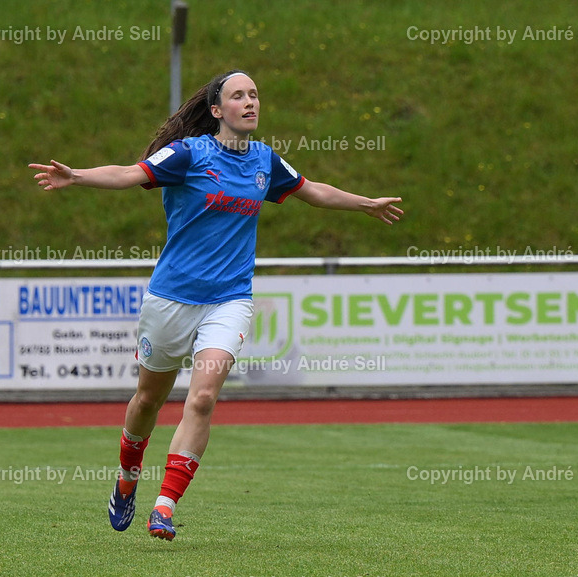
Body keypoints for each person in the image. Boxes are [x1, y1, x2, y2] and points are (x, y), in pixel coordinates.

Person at [29, 69, 403, 541]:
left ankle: (164, 506)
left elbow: (314, 191)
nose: (250, 102)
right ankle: (128, 476)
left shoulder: (266, 162)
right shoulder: (187, 155)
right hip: (169, 299)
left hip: (229, 301)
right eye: (238, 96)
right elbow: (129, 173)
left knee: (203, 396)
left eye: (254, 95)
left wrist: (364, 203)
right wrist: (76, 176)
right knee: (148, 399)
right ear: (215, 110)